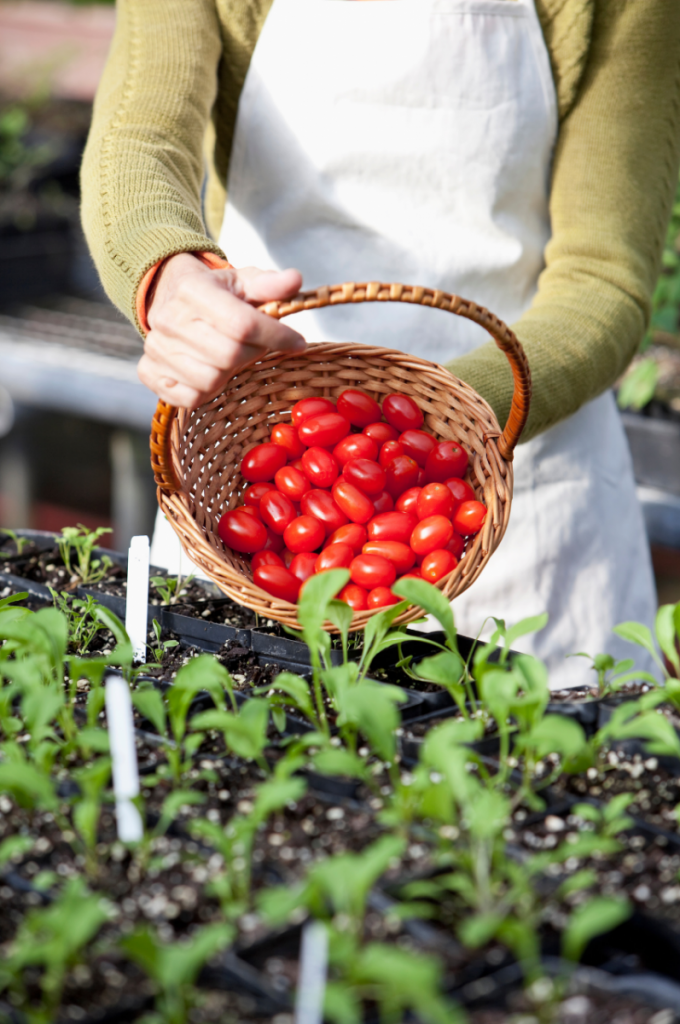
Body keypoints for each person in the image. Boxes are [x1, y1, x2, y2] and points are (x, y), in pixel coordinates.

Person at [81, 0, 680, 688]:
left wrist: (442, 423)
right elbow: (139, 136)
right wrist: (167, 275)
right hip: (261, 448)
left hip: (518, 469)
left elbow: (604, 277)